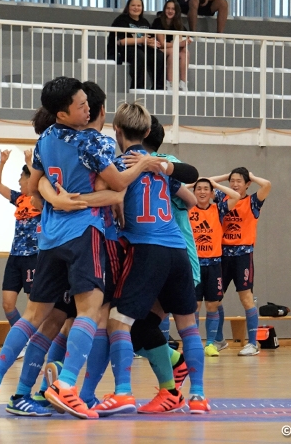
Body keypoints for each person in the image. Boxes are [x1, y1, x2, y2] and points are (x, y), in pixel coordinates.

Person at [0, 76, 154, 420]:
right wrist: (144, 163)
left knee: (36, 316)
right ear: (61, 112)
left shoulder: (44, 140)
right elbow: (118, 188)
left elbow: (34, 186)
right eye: (80, 105)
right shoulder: (94, 141)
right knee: (90, 312)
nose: (86, 108)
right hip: (85, 234)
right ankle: (68, 386)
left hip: (50, 237)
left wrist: (57, 196)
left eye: (88, 103)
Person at [103, 102, 209, 415]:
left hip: (146, 249)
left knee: (118, 321)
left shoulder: (119, 164)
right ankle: (198, 396)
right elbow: (191, 194)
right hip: (177, 251)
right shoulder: (158, 162)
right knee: (188, 327)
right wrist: (160, 166)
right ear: (148, 131)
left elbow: (112, 200)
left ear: (116, 130)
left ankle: (123, 391)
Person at [210, 167, 271, 356]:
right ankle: (219, 340)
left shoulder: (253, 201)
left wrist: (251, 175)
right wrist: (224, 175)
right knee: (215, 299)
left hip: (243, 255)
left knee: (246, 298)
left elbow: (267, 185)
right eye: (232, 181)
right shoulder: (223, 198)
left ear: (247, 184)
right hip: (222, 254)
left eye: (239, 181)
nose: (235, 184)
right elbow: (205, 182)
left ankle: (252, 344)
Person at [188, 178, 240, 357]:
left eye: (206, 189)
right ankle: (194, 343)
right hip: (194, 266)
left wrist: (215, 185)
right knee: (194, 306)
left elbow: (236, 195)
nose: (202, 192)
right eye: (198, 189)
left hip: (214, 264)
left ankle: (210, 344)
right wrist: (191, 185)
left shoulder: (218, 209)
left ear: (211, 194)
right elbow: (173, 192)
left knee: (213, 305)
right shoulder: (187, 210)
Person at [0, 149, 40, 327]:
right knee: (7, 303)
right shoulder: (18, 199)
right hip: (15, 256)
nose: (19, 181)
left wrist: (29, 162)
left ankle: (31, 340)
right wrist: (2, 162)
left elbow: (39, 181)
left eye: (22, 177)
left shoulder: (41, 198)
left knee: (33, 303)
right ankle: (22, 338)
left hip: (33, 256)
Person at [107, 0, 165, 91]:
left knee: (159, 55)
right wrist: (141, 40)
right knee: (139, 55)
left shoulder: (144, 22)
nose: (136, 8)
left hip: (141, 48)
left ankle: (158, 88)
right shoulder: (121, 20)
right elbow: (121, 41)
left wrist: (151, 42)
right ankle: (138, 87)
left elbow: (149, 38)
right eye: (133, 5)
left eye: (139, 5)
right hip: (123, 49)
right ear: (128, 7)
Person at [152, 0, 191, 91]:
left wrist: (184, 42)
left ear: (176, 11)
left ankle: (183, 83)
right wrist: (178, 44)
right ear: (164, 9)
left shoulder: (179, 24)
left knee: (185, 52)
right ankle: (170, 83)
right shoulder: (158, 21)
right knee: (174, 51)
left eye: (173, 9)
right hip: (156, 49)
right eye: (168, 8)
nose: (170, 11)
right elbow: (162, 44)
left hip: (170, 49)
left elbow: (182, 41)